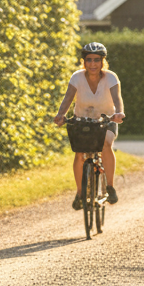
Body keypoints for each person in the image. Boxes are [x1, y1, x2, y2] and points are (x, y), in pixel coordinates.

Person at [53, 42, 125, 210]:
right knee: (79, 154)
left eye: (97, 60)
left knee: (106, 144)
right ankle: (80, 193)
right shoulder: (77, 77)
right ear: (84, 61)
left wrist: (119, 113)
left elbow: (117, 99)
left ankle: (110, 187)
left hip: (106, 120)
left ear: (103, 61)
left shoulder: (111, 77)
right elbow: (67, 99)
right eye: (89, 60)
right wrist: (61, 114)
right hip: (82, 119)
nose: (93, 64)